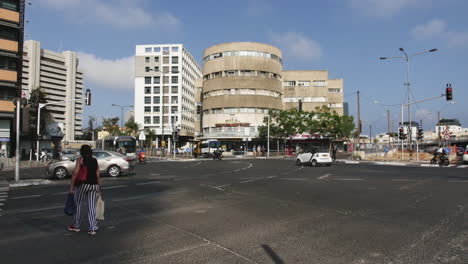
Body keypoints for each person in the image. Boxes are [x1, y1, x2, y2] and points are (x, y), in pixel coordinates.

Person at [68, 144, 101, 235]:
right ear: (90, 152)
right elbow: (98, 174)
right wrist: (98, 187)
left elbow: (75, 173)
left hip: (83, 184)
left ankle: (76, 226)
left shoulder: (80, 160)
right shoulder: (95, 160)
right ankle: (92, 228)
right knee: (91, 206)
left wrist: (71, 187)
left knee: (78, 204)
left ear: (81, 152)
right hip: (94, 185)